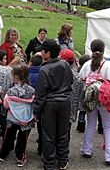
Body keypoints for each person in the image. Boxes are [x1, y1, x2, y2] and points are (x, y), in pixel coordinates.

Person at [79, 39, 110, 166]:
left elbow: (80, 78)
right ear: (103, 50)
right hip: (105, 100)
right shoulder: (108, 65)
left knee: (91, 124)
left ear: (91, 49)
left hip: (90, 99)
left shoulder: (87, 64)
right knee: (108, 126)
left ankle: (86, 149)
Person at [33, 39, 73, 170]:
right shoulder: (65, 65)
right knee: (63, 132)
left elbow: (41, 93)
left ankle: (49, 162)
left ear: (48, 53)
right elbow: (70, 81)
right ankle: (63, 160)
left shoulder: (44, 69)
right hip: (65, 102)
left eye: (42, 51)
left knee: (48, 134)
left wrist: (36, 111)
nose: (41, 52)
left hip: (50, 104)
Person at [0, 65, 35, 167]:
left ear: (15, 76)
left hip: (12, 118)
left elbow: (6, 105)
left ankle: (3, 154)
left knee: (9, 136)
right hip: (26, 118)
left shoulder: (11, 91)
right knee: (23, 139)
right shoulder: (31, 90)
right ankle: (20, 157)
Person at [59, 49, 85, 155]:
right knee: (66, 132)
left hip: (58, 106)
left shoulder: (57, 72)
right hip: (70, 109)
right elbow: (80, 96)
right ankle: (64, 153)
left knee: (55, 130)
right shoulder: (78, 78)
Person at [28, 54, 42, 155]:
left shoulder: (26, 72)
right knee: (42, 126)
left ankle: (22, 146)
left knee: (26, 125)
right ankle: (41, 147)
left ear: (30, 63)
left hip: (28, 102)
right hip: (40, 102)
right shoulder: (44, 72)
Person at [76, 54, 91, 133]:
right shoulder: (89, 71)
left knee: (82, 111)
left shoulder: (79, 72)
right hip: (88, 93)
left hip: (81, 95)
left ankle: (80, 125)